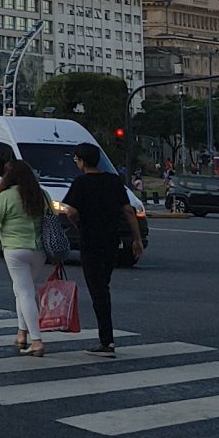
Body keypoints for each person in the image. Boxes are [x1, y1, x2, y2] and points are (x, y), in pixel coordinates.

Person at [55, 142, 143, 355]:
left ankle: (107, 341)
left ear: (83, 161)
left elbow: (70, 212)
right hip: (112, 240)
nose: (76, 163)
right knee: (103, 285)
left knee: (99, 291)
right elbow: (129, 211)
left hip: (90, 241)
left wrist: (78, 222)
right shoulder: (114, 181)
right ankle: (107, 339)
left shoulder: (81, 183)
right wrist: (137, 239)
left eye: (76, 159)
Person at [0, 153, 51, 356]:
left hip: (15, 250)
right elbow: (52, 218)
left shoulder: (6, 196)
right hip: (39, 251)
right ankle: (21, 334)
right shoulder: (42, 194)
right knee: (24, 291)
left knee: (24, 293)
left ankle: (37, 341)